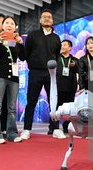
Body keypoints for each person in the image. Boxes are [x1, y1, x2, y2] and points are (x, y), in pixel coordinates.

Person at [20, 9, 62, 140]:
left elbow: (57, 55)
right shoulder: (33, 35)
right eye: (44, 17)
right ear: (40, 20)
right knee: (31, 101)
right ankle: (26, 129)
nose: (47, 19)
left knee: (53, 102)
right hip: (35, 72)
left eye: (49, 17)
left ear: (52, 20)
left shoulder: (56, 37)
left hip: (51, 73)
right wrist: (33, 64)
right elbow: (26, 54)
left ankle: (55, 128)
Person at [0, 16, 25, 144]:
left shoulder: (16, 41)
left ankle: (12, 133)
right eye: (7, 23)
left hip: (14, 77)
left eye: (12, 23)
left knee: (12, 108)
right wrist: (0, 41)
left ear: (15, 27)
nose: (9, 25)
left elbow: (23, 57)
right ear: (2, 26)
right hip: (0, 75)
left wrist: (21, 43)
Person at [54, 39, 80, 133]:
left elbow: (79, 71)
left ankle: (66, 127)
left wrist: (74, 66)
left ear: (70, 48)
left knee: (69, 109)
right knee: (55, 107)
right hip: (58, 87)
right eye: (62, 45)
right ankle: (53, 127)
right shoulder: (56, 58)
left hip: (70, 87)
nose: (63, 47)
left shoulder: (74, 60)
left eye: (65, 45)